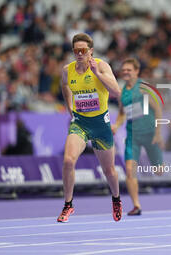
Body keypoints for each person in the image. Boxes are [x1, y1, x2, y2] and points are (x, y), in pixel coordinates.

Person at [58, 33, 122, 222]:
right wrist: (70, 107)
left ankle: (116, 198)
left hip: (101, 125)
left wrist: (97, 74)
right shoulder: (67, 70)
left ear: (90, 51)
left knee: (109, 171)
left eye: (83, 50)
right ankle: (68, 205)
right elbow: (64, 85)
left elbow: (117, 92)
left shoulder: (101, 66)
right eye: (76, 51)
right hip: (80, 123)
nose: (79, 54)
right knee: (68, 161)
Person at [111, 58, 164, 216]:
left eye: (129, 70)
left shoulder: (144, 87)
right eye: (124, 70)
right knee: (129, 171)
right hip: (133, 136)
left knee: (159, 171)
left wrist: (158, 133)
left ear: (136, 71)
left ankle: (156, 161)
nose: (126, 72)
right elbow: (122, 113)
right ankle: (136, 205)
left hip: (149, 134)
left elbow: (158, 109)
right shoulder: (122, 92)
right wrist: (116, 125)